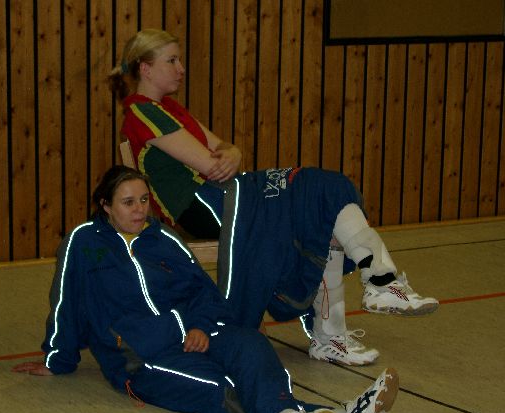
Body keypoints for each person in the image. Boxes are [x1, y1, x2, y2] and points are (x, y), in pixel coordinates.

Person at [107, 29, 439, 367]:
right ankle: (366, 296)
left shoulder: (169, 108)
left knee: (326, 195)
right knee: (317, 188)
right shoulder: (142, 112)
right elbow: (211, 164)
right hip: (207, 206)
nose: (181, 68)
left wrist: (233, 151)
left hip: (227, 193)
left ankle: (361, 305)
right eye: (172, 61)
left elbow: (224, 149)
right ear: (146, 69)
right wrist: (229, 154)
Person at [12, 166, 400, 413]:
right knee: (220, 386)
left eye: (144, 200)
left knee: (250, 345)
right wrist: (57, 359)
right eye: (128, 202)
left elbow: (202, 291)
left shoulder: (164, 238)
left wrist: (198, 325)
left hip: (197, 333)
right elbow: (65, 302)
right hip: (141, 358)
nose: (139, 210)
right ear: (105, 205)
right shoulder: (83, 243)